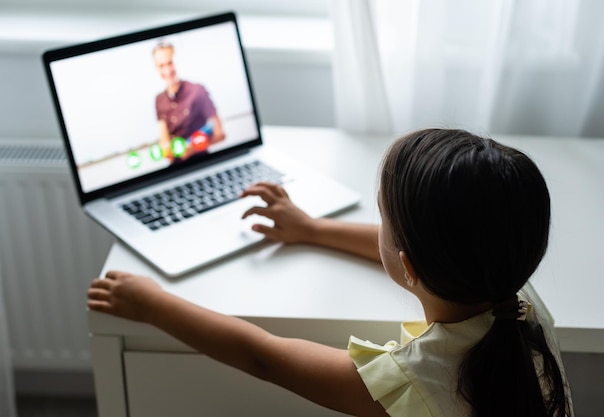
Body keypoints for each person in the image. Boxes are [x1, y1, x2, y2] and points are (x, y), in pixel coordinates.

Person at [87, 128, 574, 417]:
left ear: (408, 264)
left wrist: (152, 304)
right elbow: (432, 247)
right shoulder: (515, 291)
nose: (378, 226)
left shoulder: (411, 381)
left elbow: (264, 358)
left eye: (384, 219)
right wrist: (311, 228)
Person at [153, 41, 225, 162]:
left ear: (177, 61)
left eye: (170, 63)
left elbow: (220, 134)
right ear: (156, 68)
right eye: (161, 66)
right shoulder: (159, 100)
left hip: (203, 161)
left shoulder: (197, 90)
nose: (167, 71)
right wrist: (167, 151)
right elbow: (164, 142)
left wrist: (193, 148)